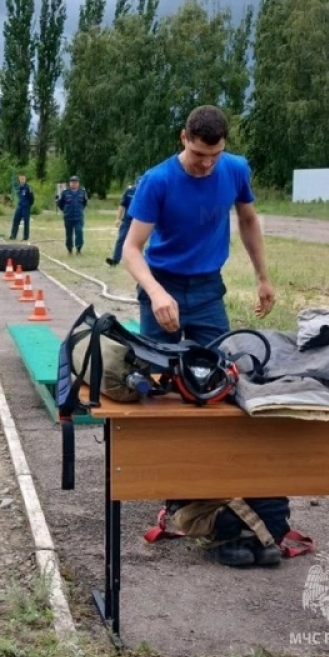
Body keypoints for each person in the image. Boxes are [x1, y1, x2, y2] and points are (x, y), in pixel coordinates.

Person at [122, 104, 283, 568]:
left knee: (220, 387)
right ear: (183, 139)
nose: (205, 164)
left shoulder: (234, 170)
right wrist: (155, 293)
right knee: (159, 390)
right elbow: (133, 249)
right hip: (163, 287)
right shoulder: (158, 181)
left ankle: (215, 490)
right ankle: (174, 496)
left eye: (213, 155)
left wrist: (262, 276)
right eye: (197, 155)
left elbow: (249, 221)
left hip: (209, 291)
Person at [106, 177, 140, 267]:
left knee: (138, 241)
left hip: (140, 221)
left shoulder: (147, 192)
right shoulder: (129, 191)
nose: (138, 187)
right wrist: (118, 218)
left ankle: (137, 262)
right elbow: (122, 205)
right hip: (127, 220)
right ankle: (115, 260)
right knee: (121, 238)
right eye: (137, 184)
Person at [55, 175, 88, 255]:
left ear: (78, 183)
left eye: (76, 182)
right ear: (69, 183)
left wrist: (79, 210)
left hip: (78, 217)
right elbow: (60, 204)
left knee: (79, 232)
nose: (74, 184)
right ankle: (69, 249)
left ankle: (78, 249)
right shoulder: (65, 192)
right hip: (68, 217)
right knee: (69, 234)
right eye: (72, 182)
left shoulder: (82, 192)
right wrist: (66, 211)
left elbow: (84, 203)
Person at [9, 173, 35, 241]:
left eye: (23, 179)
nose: (22, 180)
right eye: (20, 179)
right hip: (19, 206)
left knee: (26, 222)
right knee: (15, 220)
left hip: (26, 207)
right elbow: (19, 196)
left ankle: (25, 237)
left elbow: (32, 198)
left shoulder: (28, 187)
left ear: (25, 179)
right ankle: (13, 235)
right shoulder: (19, 187)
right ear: (19, 179)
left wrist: (28, 204)